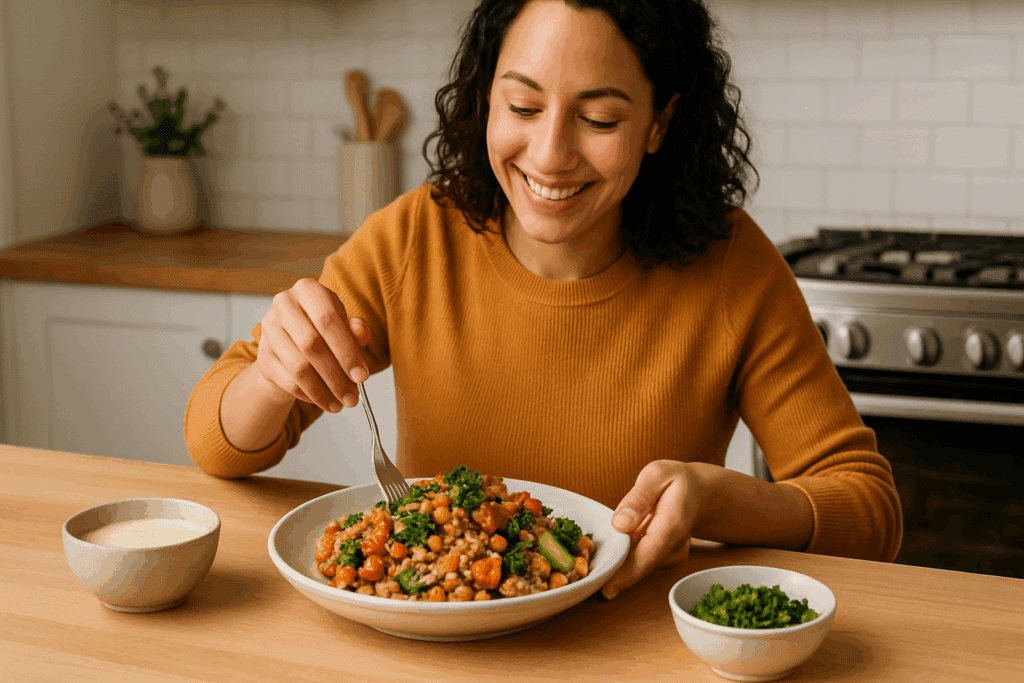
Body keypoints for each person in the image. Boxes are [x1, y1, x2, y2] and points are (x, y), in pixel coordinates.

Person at [185, 0, 902, 601]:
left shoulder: (730, 265)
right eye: (522, 105)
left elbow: (870, 510)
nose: (550, 154)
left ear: (658, 123)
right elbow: (216, 442)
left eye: (598, 119)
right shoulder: (415, 238)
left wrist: (717, 499)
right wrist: (273, 374)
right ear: (485, 98)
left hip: (636, 649)